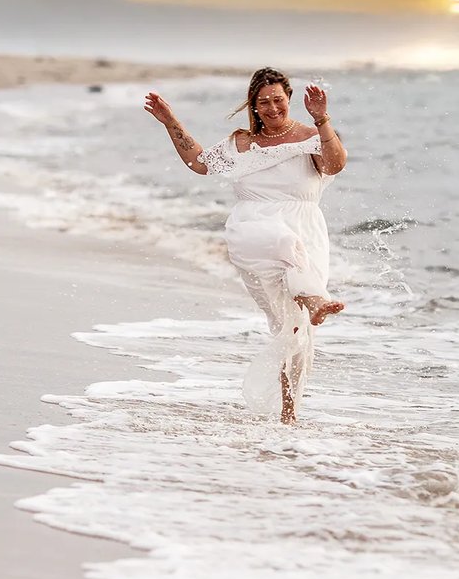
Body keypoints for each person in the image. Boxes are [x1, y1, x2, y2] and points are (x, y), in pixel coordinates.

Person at [144, 67, 347, 424]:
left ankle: (289, 411)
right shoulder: (241, 144)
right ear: (252, 105)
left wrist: (322, 119)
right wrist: (168, 121)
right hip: (251, 230)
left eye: (278, 100)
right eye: (263, 102)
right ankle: (315, 297)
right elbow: (198, 162)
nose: (272, 108)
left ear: (289, 99)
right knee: (282, 242)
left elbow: (335, 163)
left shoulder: (311, 135)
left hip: (306, 229)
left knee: (293, 327)